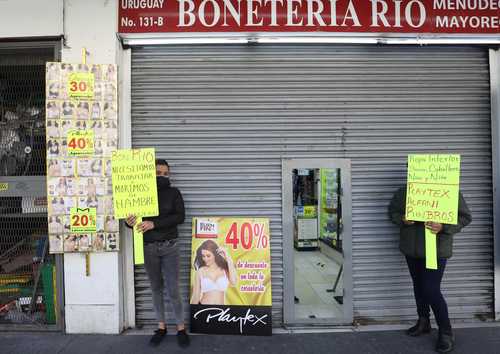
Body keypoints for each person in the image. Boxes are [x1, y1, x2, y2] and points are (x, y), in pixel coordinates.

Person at [389, 186, 472, 353]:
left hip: (437, 248)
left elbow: (464, 217)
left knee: (430, 289)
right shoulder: (405, 191)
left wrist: (443, 227)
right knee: (418, 286)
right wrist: (403, 219)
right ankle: (423, 321)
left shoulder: (450, 190)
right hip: (412, 249)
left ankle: (446, 332)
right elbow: (393, 212)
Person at [125, 159, 189, 347]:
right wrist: (128, 222)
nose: (161, 176)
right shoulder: (138, 193)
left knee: (173, 289)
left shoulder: (173, 193)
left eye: (165, 173)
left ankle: (180, 328)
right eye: (157, 173)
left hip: (170, 246)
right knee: (155, 288)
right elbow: (130, 221)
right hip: (148, 247)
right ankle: (161, 327)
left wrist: (155, 223)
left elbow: (180, 217)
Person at [190, 240, 237, 305]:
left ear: (215, 255)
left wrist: (227, 257)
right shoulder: (200, 272)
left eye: (208, 256)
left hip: (221, 311)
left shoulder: (224, 270)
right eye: (203, 256)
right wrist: (193, 311)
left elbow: (233, 282)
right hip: (204, 309)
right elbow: (196, 297)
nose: (205, 259)